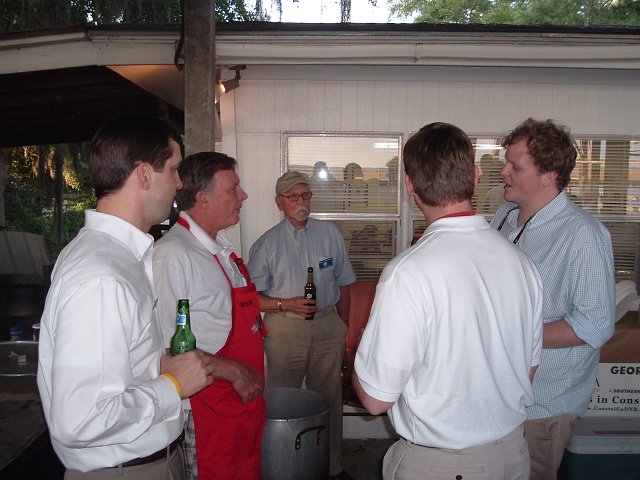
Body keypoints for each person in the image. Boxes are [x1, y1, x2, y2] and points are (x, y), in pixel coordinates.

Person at [353, 122, 544, 480]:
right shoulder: (521, 263)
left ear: (409, 184)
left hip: (443, 466)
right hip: (513, 456)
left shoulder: (408, 273)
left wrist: (361, 353)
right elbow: (528, 368)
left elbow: (376, 400)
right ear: (475, 176)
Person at [37, 113, 215, 480]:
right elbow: (80, 419)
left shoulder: (117, 257)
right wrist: (173, 386)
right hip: (126, 472)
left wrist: (155, 369)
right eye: (174, 170)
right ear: (145, 175)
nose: (179, 183)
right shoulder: (102, 275)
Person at [490, 118, 615, 480]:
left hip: (542, 403)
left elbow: (594, 326)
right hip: (500, 389)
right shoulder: (506, 215)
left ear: (550, 175)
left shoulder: (583, 235)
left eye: (515, 166)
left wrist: (512, 334)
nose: (504, 172)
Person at [153, 152, 266, 480]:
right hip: (206, 413)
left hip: (240, 407)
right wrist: (234, 371)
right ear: (202, 198)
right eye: (233, 189)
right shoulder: (173, 256)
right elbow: (165, 348)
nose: (243, 195)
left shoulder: (220, 251)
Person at [247, 171, 357, 480]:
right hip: (285, 329)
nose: (301, 202)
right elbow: (251, 299)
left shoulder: (330, 234)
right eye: (293, 196)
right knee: (281, 400)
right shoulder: (267, 244)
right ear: (279, 202)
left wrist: (343, 327)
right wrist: (285, 304)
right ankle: (280, 465)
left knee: (330, 398)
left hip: (327, 324)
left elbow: (344, 284)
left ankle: (332, 467)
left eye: (306, 195)